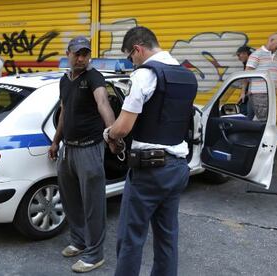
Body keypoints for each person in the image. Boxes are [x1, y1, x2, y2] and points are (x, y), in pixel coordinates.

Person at [104, 26, 197, 276]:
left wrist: (109, 135)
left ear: (138, 49)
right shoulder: (187, 76)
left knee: (130, 238)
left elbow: (122, 127)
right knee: (167, 238)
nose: (131, 62)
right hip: (178, 168)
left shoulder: (145, 75)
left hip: (149, 171)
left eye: (130, 56)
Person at [47, 36, 116, 273]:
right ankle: (78, 241)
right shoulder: (64, 81)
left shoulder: (94, 77)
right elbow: (64, 111)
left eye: (85, 54)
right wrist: (56, 141)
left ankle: (94, 254)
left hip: (89, 148)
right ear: (68, 54)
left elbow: (103, 103)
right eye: (77, 53)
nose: (81, 58)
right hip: (68, 148)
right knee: (71, 200)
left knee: (93, 204)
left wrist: (113, 134)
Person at [240, 33, 277, 121]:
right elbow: (246, 74)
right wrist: (242, 92)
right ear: (271, 40)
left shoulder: (275, 56)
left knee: (266, 120)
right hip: (260, 95)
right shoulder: (257, 54)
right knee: (265, 121)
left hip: (271, 94)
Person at [236, 46, 254, 119]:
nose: (240, 57)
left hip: (251, 94)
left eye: (242, 54)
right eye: (239, 55)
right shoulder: (246, 63)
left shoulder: (250, 63)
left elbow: (246, 78)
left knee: (245, 114)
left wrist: (243, 93)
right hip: (249, 93)